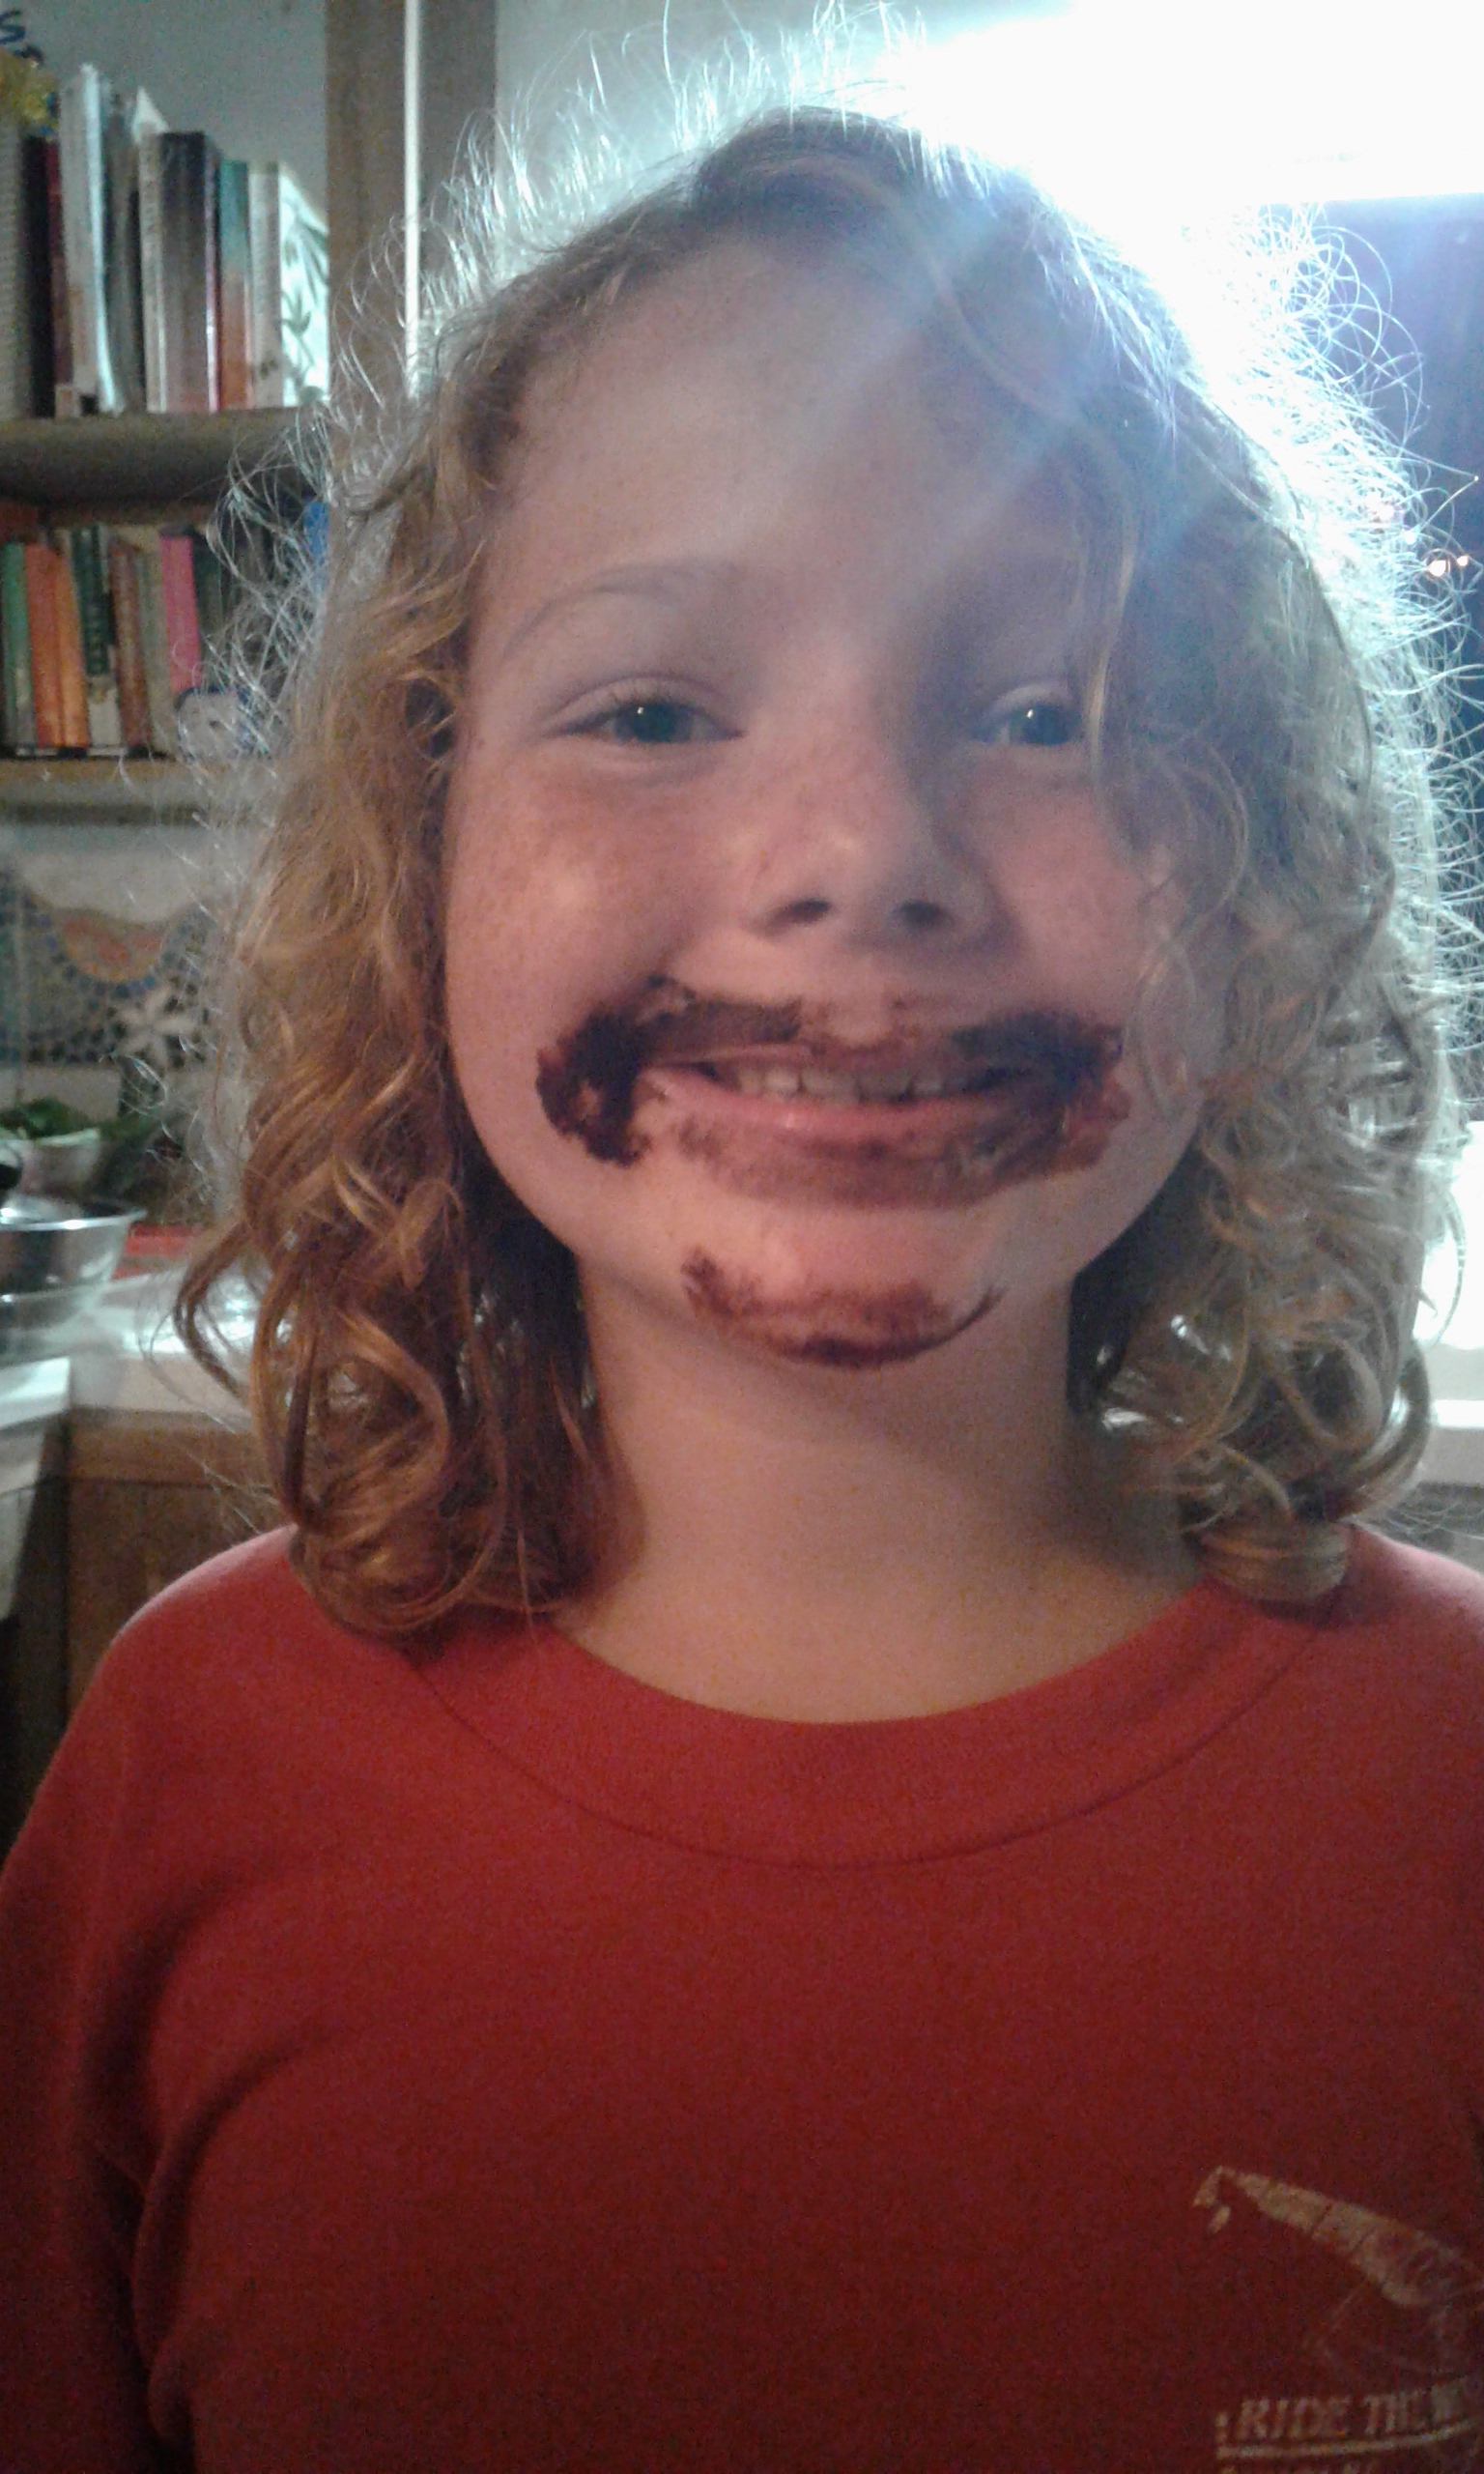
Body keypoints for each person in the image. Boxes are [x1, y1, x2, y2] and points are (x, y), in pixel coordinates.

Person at [2, 100, 1481, 2474]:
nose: (861, 854)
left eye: (1047, 709)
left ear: (1265, 884)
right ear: (423, 851)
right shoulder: (190, 1771)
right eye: (655, 710)